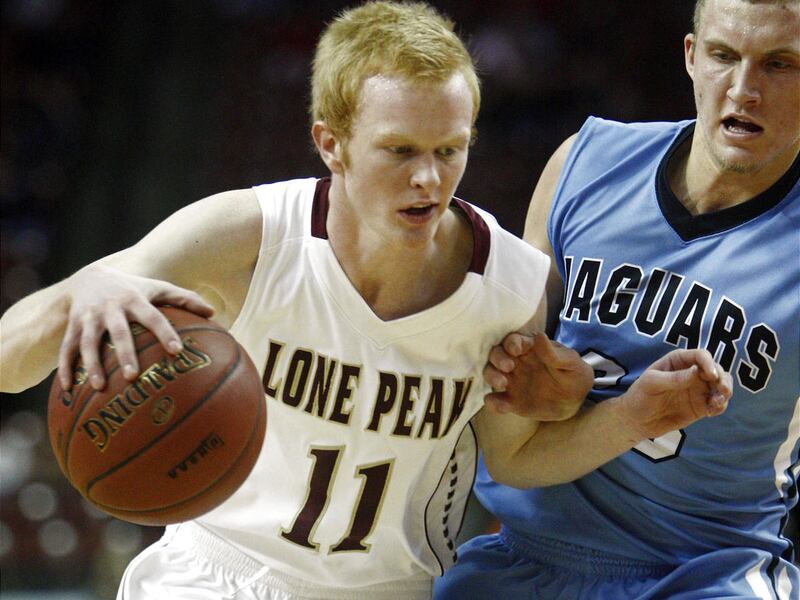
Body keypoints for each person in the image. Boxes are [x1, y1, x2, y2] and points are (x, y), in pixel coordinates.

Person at [0, 2, 732, 599]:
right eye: (400, 150)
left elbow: (514, 461)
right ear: (332, 143)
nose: (429, 178)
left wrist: (630, 414)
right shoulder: (247, 236)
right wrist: (83, 289)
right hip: (215, 571)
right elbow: (10, 362)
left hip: (391, 589)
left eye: (451, 149)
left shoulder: (509, 285)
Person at [434, 0, 800, 598]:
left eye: (780, 64)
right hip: (523, 556)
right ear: (691, 57)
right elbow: (508, 425)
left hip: (711, 572)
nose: (744, 88)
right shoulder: (585, 163)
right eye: (723, 56)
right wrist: (549, 390)